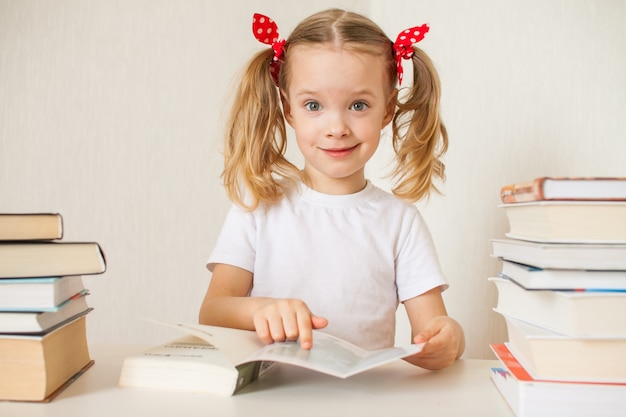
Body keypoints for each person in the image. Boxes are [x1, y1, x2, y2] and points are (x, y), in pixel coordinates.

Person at [199, 8, 465, 371]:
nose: (336, 127)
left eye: (358, 105)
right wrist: (259, 309)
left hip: (364, 401)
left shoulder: (400, 222)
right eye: (313, 105)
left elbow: (433, 328)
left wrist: (450, 339)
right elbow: (213, 311)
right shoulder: (258, 207)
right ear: (288, 110)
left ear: (387, 110)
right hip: (271, 399)